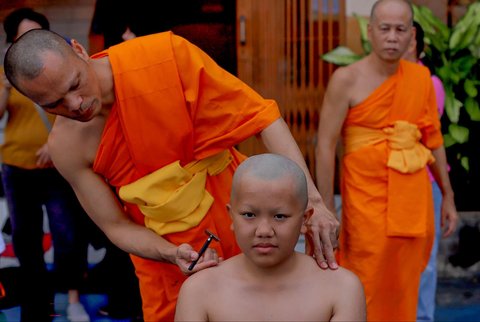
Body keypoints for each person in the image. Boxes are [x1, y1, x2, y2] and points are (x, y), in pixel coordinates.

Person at [4, 29, 339, 321]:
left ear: (79, 50)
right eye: (54, 104)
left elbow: (261, 118)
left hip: (243, 223)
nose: (74, 105)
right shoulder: (65, 146)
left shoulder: (161, 58)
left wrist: (313, 201)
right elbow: (115, 225)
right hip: (166, 259)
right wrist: (169, 254)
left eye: (74, 84)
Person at [315, 0, 458, 320]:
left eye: (400, 29)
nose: (392, 37)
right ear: (370, 32)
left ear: (411, 36)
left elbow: (432, 140)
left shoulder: (420, 80)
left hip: (413, 197)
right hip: (365, 201)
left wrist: (447, 195)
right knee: (364, 277)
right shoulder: (346, 80)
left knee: (406, 282)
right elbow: (325, 145)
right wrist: (323, 206)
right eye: (385, 28)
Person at [175, 153, 366, 321]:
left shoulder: (341, 289)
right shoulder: (200, 291)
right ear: (231, 216)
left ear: (304, 219)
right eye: (249, 215)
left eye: (279, 216)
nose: (264, 230)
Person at [0, 8, 91, 322]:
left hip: (58, 166)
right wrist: (6, 86)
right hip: (16, 165)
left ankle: (73, 299)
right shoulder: (5, 72)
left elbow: (82, 113)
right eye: (23, 37)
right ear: (11, 42)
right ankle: (38, 305)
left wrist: (55, 146)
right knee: (26, 238)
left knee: (68, 234)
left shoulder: (61, 68)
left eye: (37, 34)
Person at [403, 21, 449, 322]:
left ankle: (422, 318)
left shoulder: (429, 83)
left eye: (410, 38)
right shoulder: (377, 81)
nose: (401, 43)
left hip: (424, 179)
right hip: (387, 181)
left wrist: (448, 194)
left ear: (419, 45)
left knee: (425, 260)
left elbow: (430, 138)